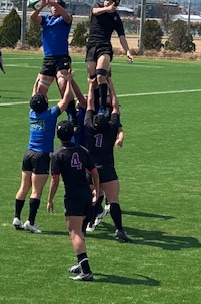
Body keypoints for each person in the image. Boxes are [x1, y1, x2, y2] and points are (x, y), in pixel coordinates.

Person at [13, 75, 74, 233]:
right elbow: (66, 99)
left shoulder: (32, 113)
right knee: (36, 191)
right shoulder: (50, 115)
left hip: (28, 153)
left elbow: (34, 96)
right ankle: (30, 222)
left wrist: (37, 81)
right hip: (41, 156)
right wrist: (68, 81)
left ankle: (17, 217)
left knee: (23, 187)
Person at [47, 121, 100, 281]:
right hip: (86, 194)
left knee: (74, 232)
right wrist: (97, 191)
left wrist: (50, 199)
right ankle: (80, 263)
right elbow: (94, 172)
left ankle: (86, 270)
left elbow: (55, 180)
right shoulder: (83, 150)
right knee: (81, 231)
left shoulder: (57, 155)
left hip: (73, 197)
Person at [83, 79, 131, 241]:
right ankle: (119, 230)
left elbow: (90, 104)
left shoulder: (89, 127)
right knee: (113, 200)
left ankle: (84, 227)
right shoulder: (111, 129)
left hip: (91, 170)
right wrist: (110, 84)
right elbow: (116, 106)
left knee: (90, 199)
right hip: (107, 169)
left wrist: (91, 85)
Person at [85, 0, 133, 115]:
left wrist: (127, 51)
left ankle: (103, 108)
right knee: (93, 80)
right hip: (91, 46)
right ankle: (95, 107)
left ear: (115, 5)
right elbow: (95, 11)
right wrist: (106, 9)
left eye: (111, 2)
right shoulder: (98, 7)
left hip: (104, 47)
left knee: (100, 75)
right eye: (107, 0)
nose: (107, 3)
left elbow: (121, 36)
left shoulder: (115, 18)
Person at [30, 0, 76, 122]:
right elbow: (33, 17)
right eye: (52, 7)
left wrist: (54, 3)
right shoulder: (46, 19)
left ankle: (72, 115)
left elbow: (67, 17)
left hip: (62, 58)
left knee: (62, 84)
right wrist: (42, 5)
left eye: (57, 6)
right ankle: (42, 114)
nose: (54, 8)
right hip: (48, 59)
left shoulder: (65, 19)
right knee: (40, 90)